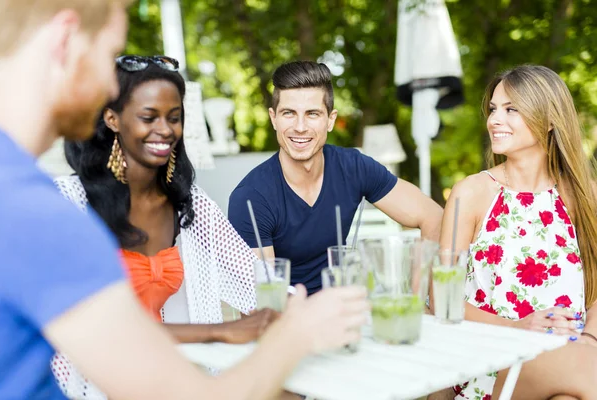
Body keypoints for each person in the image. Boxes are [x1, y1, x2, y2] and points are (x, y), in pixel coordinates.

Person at [0, 2, 369, 399]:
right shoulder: (39, 213)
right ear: (65, 39)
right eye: (108, 57)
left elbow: (253, 280)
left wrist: (296, 310)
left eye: (173, 117)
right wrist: (294, 335)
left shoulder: (19, 192)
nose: (111, 88)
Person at [50, 55, 280, 398]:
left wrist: (309, 310)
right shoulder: (68, 204)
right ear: (112, 118)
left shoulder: (190, 204)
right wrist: (219, 331)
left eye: (174, 118)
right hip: (86, 386)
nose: (165, 130)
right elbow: (95, 330)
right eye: (149, 117)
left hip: (164, 376)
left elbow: (256, 279)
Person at [438, 64, 597, 399]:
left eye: (511, 109)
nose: (495, 120)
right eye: (494, 109)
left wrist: (588, 342)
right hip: (493, 355)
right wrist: (515, 327)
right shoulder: (471, 193)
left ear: (550, 118)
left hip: (572, 356)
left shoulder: (585, 195)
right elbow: (443, 299)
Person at [228, 60, 443, 295]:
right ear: (274, 118)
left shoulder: (353, 167)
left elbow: (433, 217)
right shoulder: (251, 198)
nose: (300, 127)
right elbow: (262, 302)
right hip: (287, 321)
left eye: (312, 114)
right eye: (289, 113)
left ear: (330, 120)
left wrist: (421, 298)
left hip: (345, 310)